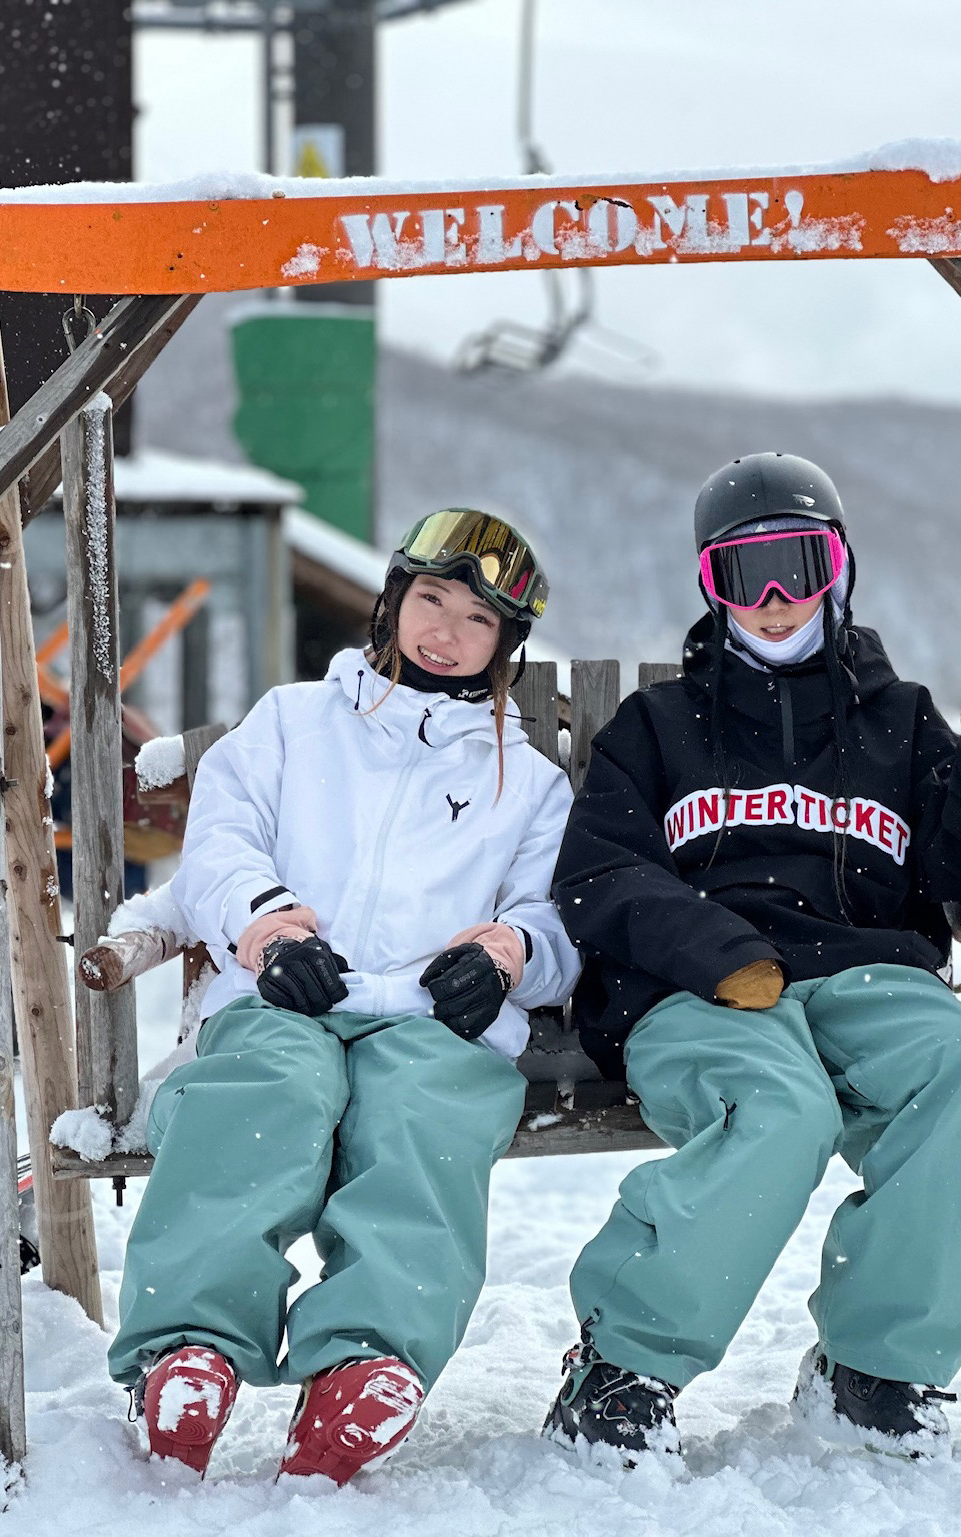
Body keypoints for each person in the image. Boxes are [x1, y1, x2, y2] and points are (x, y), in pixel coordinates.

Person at [542, 453, 961, 1463]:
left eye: (797, 565)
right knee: (779, 1109)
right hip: (705, 990)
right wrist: (713, 947)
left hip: (868, 975)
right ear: (710, 585)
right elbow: (598, 874)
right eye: (745, 574)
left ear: (838, 568)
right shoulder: (653, 730)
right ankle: (622, 1364)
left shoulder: (899, 719)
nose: (775, 600)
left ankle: (876, 1364)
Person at [107, 509, 580, 1484]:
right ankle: (188, 1343)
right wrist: (269, 924)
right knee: (264, 1095)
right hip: (291, 988)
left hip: (429, 1015)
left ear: (507, 646)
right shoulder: (291, 721)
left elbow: (556, 914)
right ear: (391, 601)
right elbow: (220, 844)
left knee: (423, 1119)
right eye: (430, 599)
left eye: (476, 620)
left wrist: (504, 953)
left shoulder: (527, 786)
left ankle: (367, 1356)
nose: (444, 630)